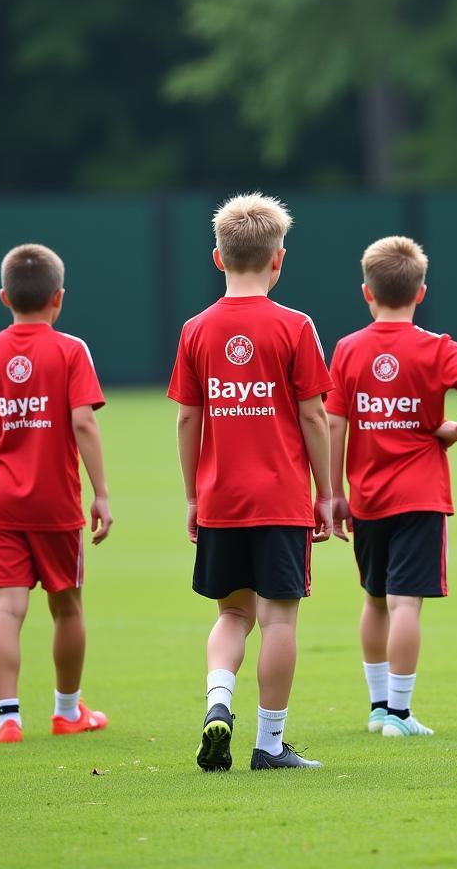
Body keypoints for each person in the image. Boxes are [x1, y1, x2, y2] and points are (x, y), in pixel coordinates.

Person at [168, 194, 337, 772]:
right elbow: (314, 415)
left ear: (218, 258)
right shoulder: (295, 326)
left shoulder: (195, 330)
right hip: (282, 498)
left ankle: (220, 705)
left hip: (220, 500)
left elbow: (189, 418)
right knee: (280, 619)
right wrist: (328, 492)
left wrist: (193, 495)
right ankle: (269, 744)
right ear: (278, 260)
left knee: (232, 615)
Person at [326, 236, 457, 737]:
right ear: (420, 292)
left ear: (367, 292)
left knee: (374, 599)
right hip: (420, 495)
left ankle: (378, 707)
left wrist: (335, 492)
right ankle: (400, 715)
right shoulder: (437, 347)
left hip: (367, 496)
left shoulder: (348, 350)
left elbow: (335, 424)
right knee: (406, 603)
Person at [0, 244, 112, 743]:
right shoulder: (69, 350)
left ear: (4, 297)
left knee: (7, 609)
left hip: (1, 502)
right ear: (58, 298)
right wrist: (101, 492)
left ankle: (8, 719)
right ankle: (66, 712)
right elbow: (83, 420)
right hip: (56, 502)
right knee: (67, 608)